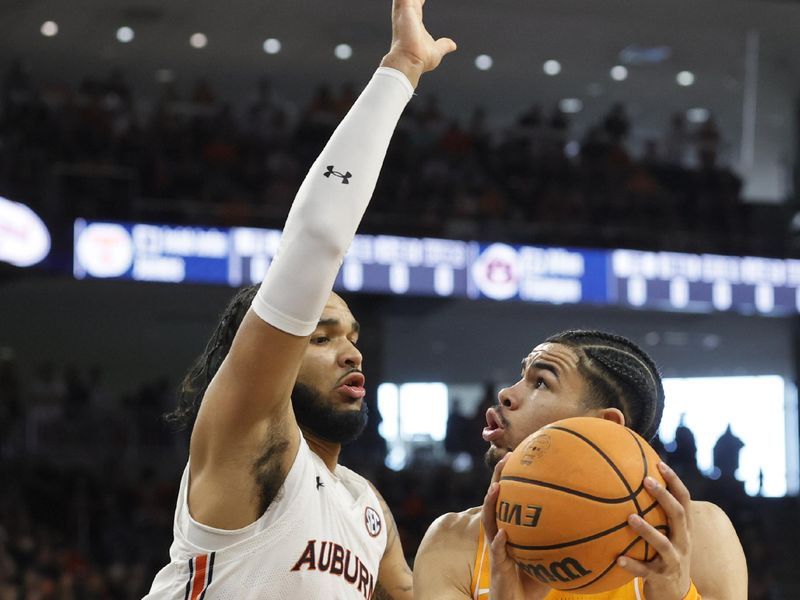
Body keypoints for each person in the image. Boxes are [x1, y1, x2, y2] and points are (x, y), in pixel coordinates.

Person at [144, 2, 456, 598]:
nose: (350, 354)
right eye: (320, 337)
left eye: (352, 338)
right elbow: (316, 241)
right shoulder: (249, 435)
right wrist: (401, 70)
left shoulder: (364, 504)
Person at [413, 330, 747, 600]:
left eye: (541, 382)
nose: (505, 393)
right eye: (521, 377)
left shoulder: (698, 533)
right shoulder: (451, 541)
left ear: (605, 426)